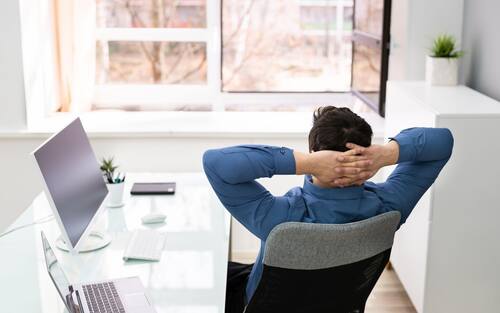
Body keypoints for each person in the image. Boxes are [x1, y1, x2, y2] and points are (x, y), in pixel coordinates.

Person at [202, 106, 454, 313]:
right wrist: (387, 154)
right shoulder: (391, 205)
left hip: (265, 303)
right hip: (339, 303)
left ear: (314, 151)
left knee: (211, 275)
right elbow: (442, 141)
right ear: (366, 152)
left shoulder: (281, 220)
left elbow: (216, 163)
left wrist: (306, 163)